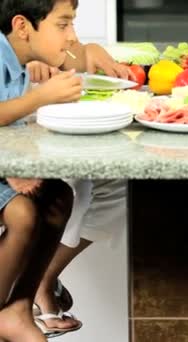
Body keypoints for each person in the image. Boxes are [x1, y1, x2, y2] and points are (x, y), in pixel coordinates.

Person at [24, 27, 132, 335]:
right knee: (73, 182)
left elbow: (65, 52)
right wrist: (24, 63)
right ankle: (29, 290)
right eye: (64, 23)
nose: (70, 31)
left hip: (28, 134)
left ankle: (43, 276)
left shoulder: (37, 24)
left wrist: (87, 51)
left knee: (121, 184)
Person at [0, 0, 83, 340]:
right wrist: (41, 98)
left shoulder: (17, 62)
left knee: (59, 195)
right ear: (23, 27)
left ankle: (18, 308)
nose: (72, 37)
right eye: (63, 25)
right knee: (21, 213)